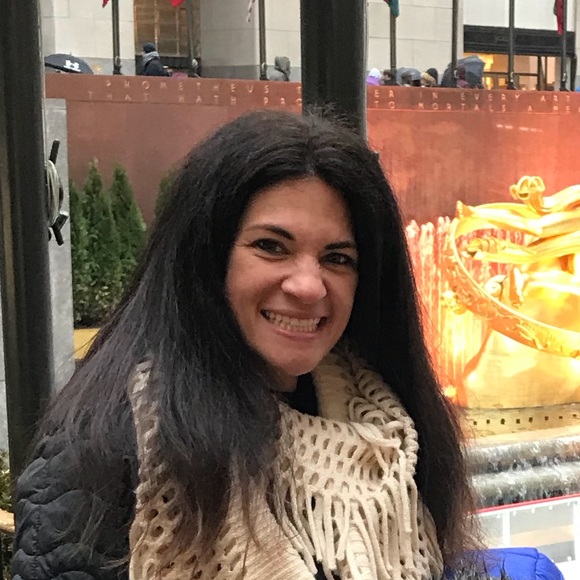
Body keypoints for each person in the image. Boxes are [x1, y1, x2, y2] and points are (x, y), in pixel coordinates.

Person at [12, 110, 478, 580]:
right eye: (271, 247)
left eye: (337, 258)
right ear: (207, 256)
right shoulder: (108, 444)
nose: (307, 286)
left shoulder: (394, 436)